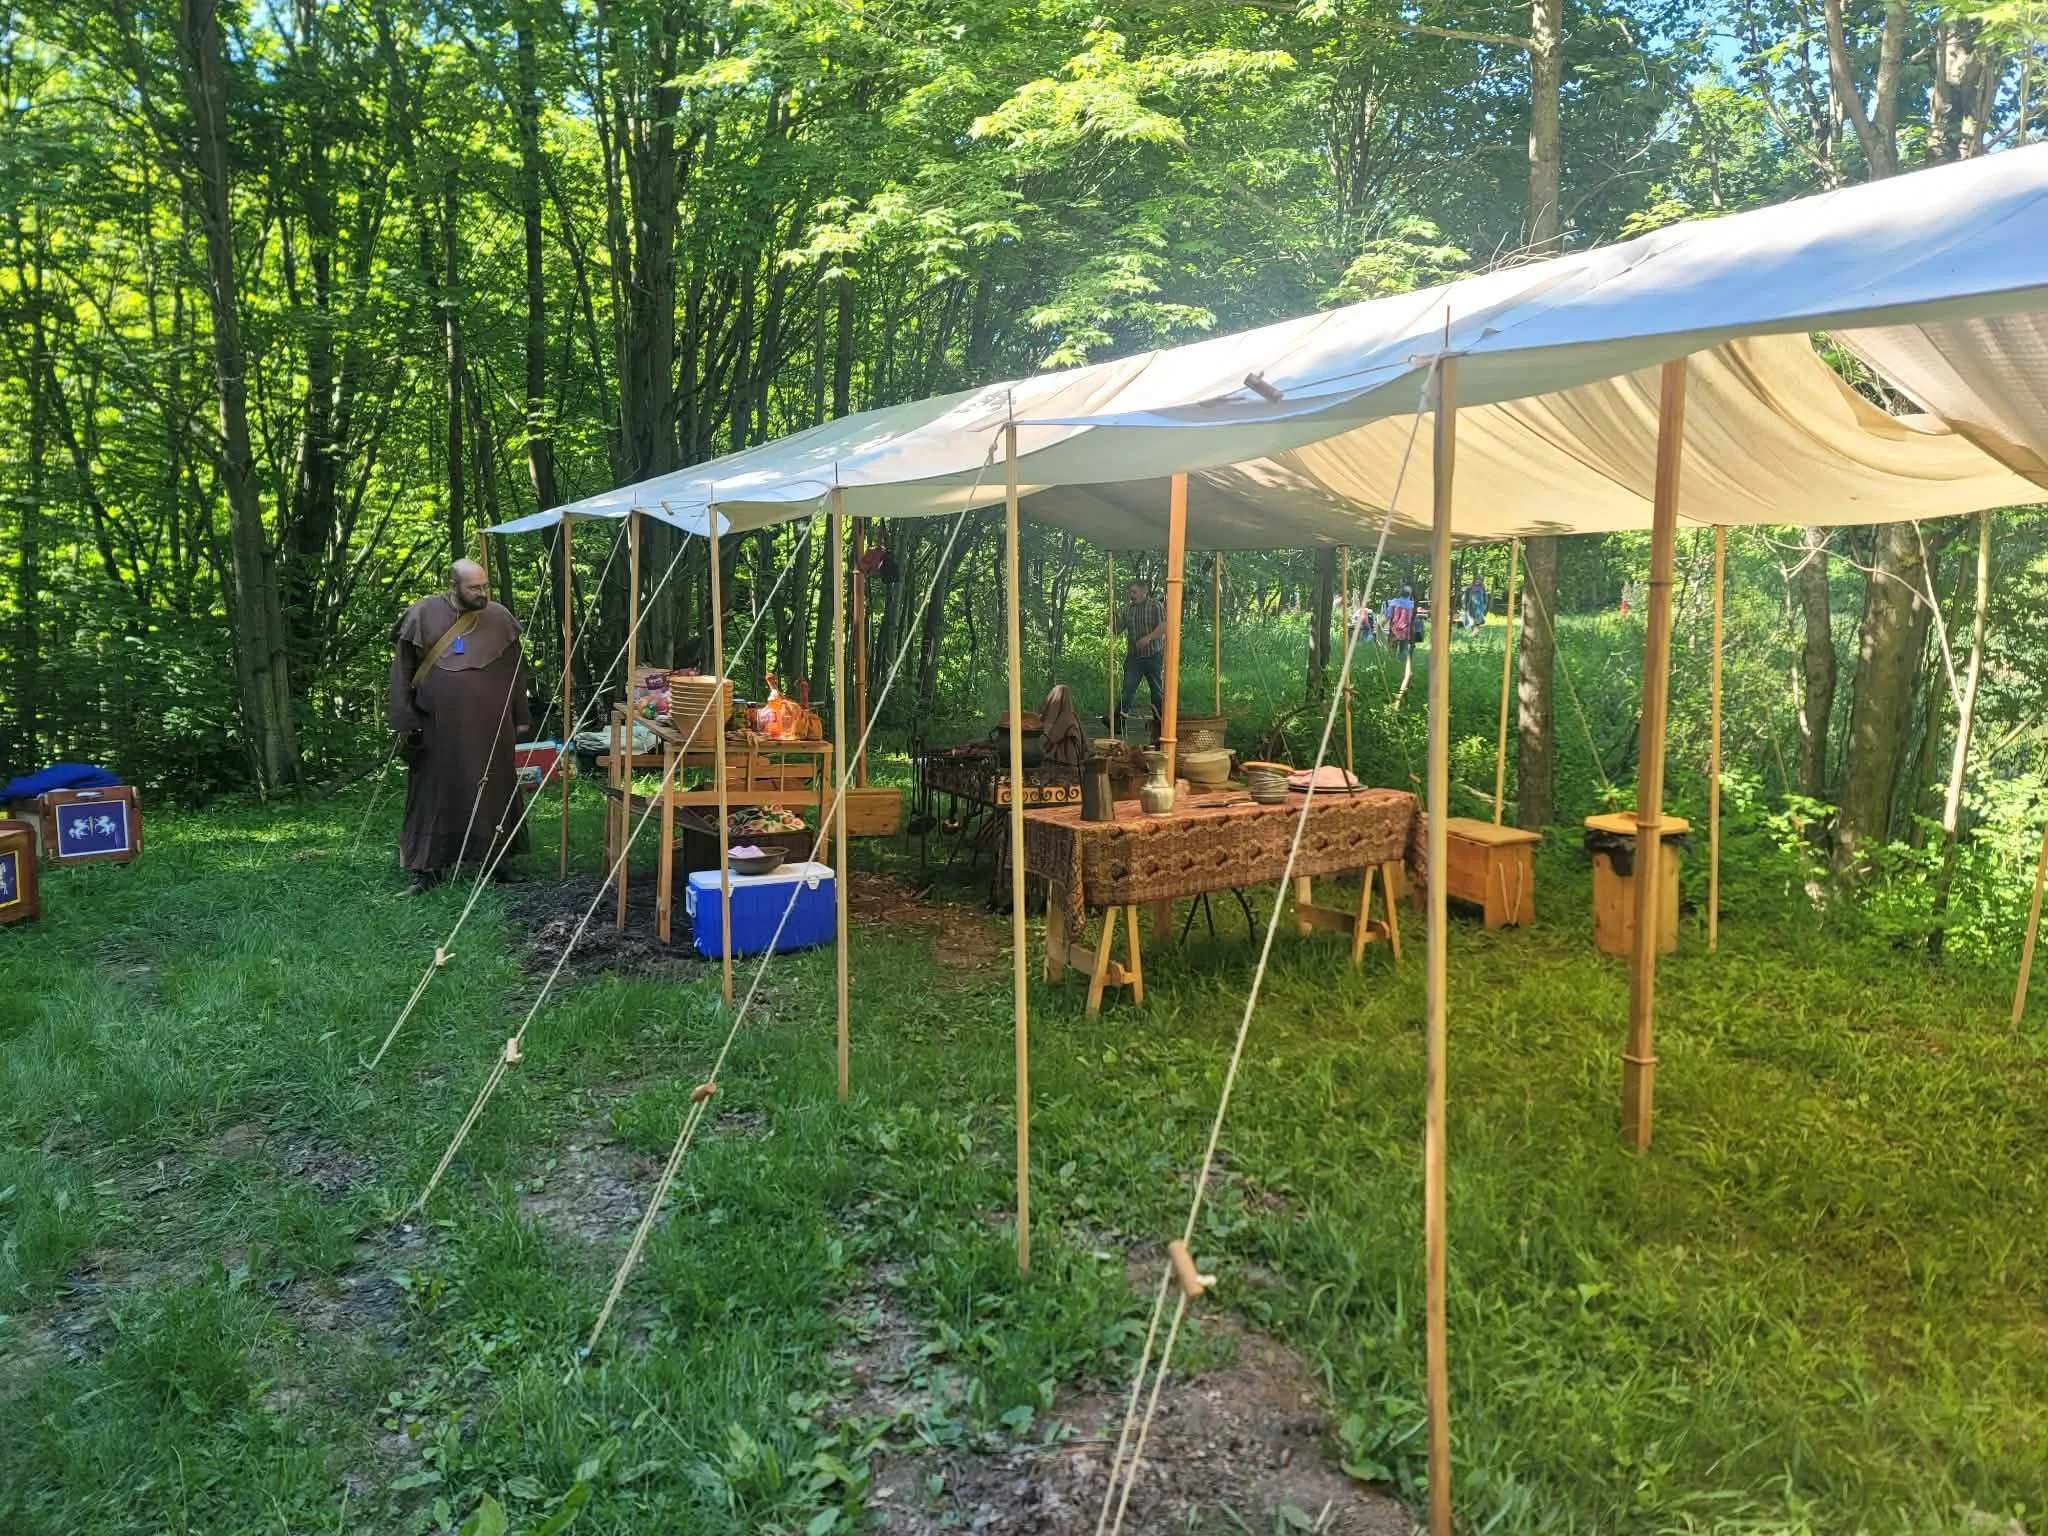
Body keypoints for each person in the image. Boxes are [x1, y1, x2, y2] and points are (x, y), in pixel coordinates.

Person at [388, 560, 532, 895]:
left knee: (493, 788)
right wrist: (405, 720)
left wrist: (521, 716)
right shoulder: (422, 615)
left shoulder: (499, 618)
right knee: (435, 793)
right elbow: (402, 674)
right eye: (474, 588)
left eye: (485, 586)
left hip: (490, 728)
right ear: (452, 585)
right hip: (437, 728)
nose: (483, 593)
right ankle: (428, 868)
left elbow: (517, 671)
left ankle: (497, 860)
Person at [1114, 578, 1166, 724]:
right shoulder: (1128, 609)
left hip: (1153, 655)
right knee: (1128, 687)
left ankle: (1160, 720)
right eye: (1130, 592)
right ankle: (1119, 721)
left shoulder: (1156, 606)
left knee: (1156, 690)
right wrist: (1112, 617)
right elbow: (1117, 630)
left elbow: (1164, 626)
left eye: (1134, 592)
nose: (1132, 595)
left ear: (1144, 591)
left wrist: (1148, 638)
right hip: (1134, 657)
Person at [1382, 585, 1417, 661]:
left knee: (1391, 650)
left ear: (1400, 593)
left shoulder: (1394, 603)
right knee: (1403, 651)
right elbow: (1414, 619)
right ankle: (1401, 667)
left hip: (1394, 630)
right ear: (1410, 594)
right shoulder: (1412, 605)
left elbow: (1388, 616)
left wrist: (1381, 625)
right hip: (1406, 631)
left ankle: (1391, 664)